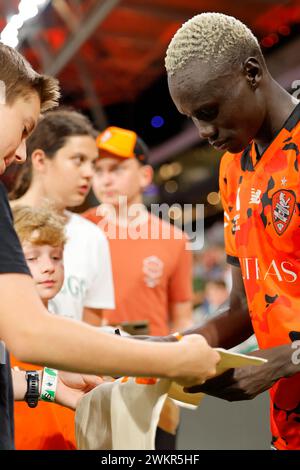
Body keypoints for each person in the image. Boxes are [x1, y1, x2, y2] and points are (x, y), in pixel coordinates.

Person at [0, 41, 220, 450]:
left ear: (143, 174)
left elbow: (96, 324)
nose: (21, 153)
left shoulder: (116, 237)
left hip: (100, 391)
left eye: (109, 167)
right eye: (24, 127)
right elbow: (29, 333)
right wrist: (176, 359)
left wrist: (50, 384)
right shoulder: (37, 219)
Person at [165, 12, 300, 450]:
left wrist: (286, 360)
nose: (203, 131)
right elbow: (242, 307)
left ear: (253, 72)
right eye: (191, 117)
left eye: (208, 111)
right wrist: (170, 348)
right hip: (288, 425)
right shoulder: (232, 169)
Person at [84, 126, 194, 449]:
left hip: (154, 385)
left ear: (145, 175)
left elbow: (182, 318)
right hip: (92, 381)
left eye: (117, 169)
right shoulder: (75, 233)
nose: (105, 179)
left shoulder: (174, 240)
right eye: (97, 169)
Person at [10, 108, 115, 323]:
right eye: (78, 160)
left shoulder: (92, 238)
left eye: (92, 164)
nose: (89, 173)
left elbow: (91, 332)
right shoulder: (5, 222)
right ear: (40, 160)